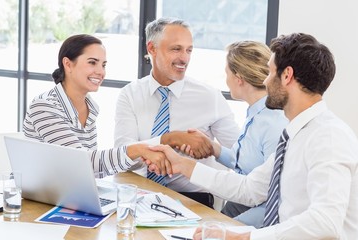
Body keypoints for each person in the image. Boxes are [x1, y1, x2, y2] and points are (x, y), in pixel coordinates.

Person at [151, 33, 358, 239]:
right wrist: (182, 165)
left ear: (287, 75)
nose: (265, 81)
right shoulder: (294, 135)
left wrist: (245, 237)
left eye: (270, 72)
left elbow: (325, 222)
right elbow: (249, 189)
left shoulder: (328, 137)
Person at [114, 17, 239, 208]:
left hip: (194, 200)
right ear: (152, 49)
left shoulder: (209, 96)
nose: (184, 58)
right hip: (141, 195)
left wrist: (212, 148)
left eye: (189, 50)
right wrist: (169, 139)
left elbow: (240, 158)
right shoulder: (130, 95)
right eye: (176, 49)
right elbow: (122, 156)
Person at [23, 34, 171, 177]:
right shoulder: (44, 106)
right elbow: (81, 163)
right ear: (68, 64)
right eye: (92, 62)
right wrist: (138, 149)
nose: (101, 72)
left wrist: (140, 157)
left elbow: (93, 170)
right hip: (35, 198)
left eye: (103, 65)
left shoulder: (91, 108)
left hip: (70, 193)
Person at [213, 41, 288, 228]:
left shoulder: (273, 123)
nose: (226, 80)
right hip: (241, 205)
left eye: (226, 73)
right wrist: (214, 150)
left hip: (260, 219)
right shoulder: (256, 114)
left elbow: (275, 200)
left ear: (239, 78)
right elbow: (250, 166)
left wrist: (228, 230)